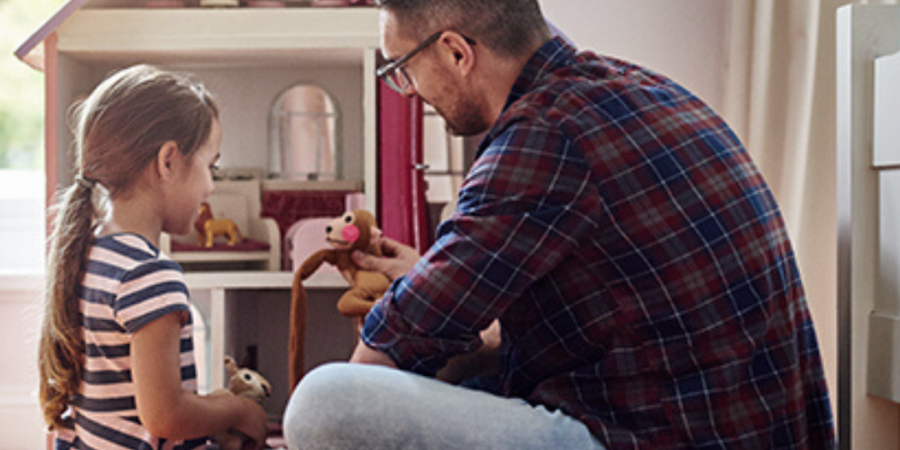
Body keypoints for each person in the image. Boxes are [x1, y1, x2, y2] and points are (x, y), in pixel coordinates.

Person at [283, 0, 836, 449]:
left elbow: (391, 347)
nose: (408, 88)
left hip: (658, 434)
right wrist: (433, 278)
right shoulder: (644, 89)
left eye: (401, 68)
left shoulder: (543, 136)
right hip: (743, 423)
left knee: (326, 403)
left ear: (455, 52)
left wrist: (410, 315)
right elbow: (593, 312)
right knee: (473, 366)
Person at [38, 64, 268, 450]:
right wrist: (235, 411)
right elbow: (165, 416)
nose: (211, 187)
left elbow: (130, 403)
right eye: (210, 167)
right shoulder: (149, 274)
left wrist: (210, 411)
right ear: (168, 161)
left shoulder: (88, 251)